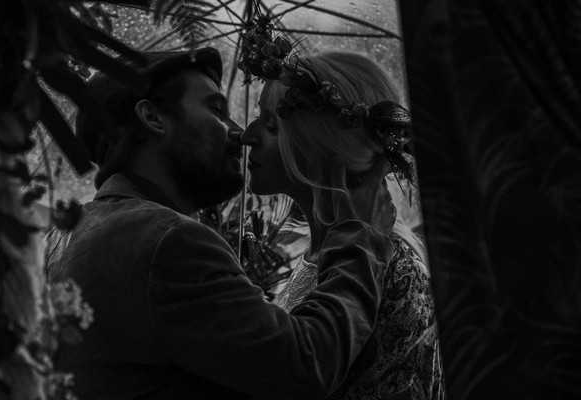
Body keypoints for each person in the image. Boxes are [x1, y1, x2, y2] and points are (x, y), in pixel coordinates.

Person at [47, 47, 394, 399]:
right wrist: (361, 236)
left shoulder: (70, 234)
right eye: (216, 110)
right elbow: (305, 365)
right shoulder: (169, 242)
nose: (239, 133)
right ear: (153, 118)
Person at [242, 51, 444, 400]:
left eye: (271, 125)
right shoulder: (322, 253)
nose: (248, 135)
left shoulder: (394, 270)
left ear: (319, 148)